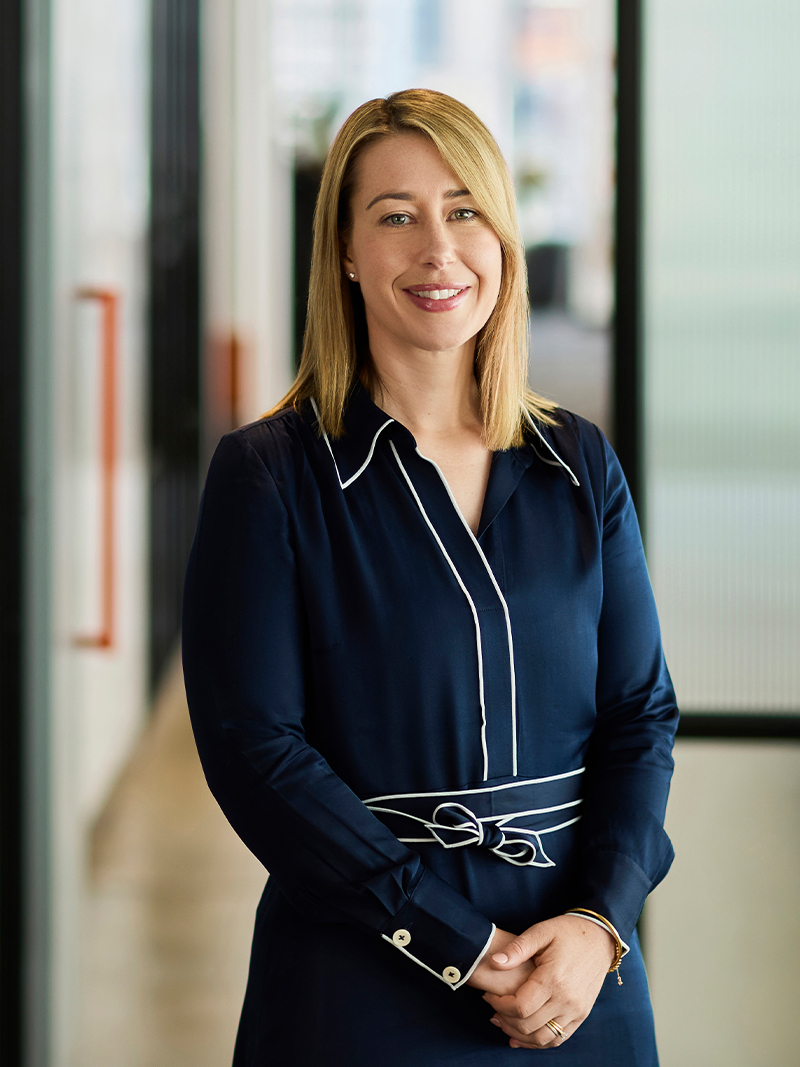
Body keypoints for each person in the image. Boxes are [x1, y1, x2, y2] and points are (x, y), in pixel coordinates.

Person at [182, 88, 678, 1066]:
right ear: (345, 254)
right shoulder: (272, 475)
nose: (437, 249)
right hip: (360, 970)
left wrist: (597, 922)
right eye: (395, 216)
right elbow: (256, 748)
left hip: (577, 980)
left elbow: (638, 712)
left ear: (501, 238)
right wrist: (459, 943)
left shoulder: (575, 461)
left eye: (464, 210)